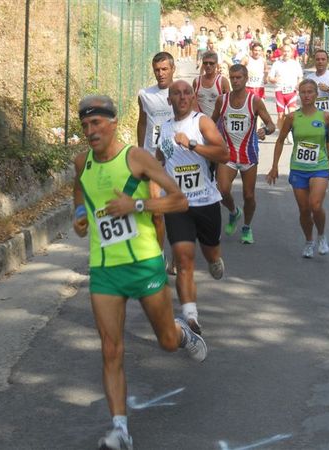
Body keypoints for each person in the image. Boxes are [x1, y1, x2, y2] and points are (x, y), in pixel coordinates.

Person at [73, 95, 207, 450]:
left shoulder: (135, 157)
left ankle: (181, 334)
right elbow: (78, 193)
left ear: (113, 123)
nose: (91, 131)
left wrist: (135, 204)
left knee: (165, 342)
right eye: (86, 126)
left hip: (144, 263)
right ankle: (120, 430)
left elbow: (179, 200)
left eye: (97, 123)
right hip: (104, 270)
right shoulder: (81, 163)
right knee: (110, 349)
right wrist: (79, 219)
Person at [158, 80, 229, 335]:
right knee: (184, 260)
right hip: (178, 205)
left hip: (206, 202)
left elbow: (223, 155)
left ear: (193, 98)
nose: (182, 97)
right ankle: (190, 317)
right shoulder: (164, 129)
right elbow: (160, 160)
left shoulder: (201, 123)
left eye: (187, 92)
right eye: (176, 93)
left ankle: (214, 259)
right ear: (170, 100)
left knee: (210, 256)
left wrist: (192, 145)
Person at [267, 79, 329, 257]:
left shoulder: (325, 116)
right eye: (303, 92)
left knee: (315, 205)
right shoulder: (292, 117)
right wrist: (274, 166)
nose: (307, 95)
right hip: (298, 168)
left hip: (319, 166)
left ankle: (322, 236)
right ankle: (309, 241)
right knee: (304, 210)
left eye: (310, 91)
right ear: (299, 95)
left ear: (316, 95)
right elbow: (280, 141)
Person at [211, 64, 276, 244]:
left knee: (249, 195)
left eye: (239, 77)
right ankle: (234, 212)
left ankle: (247, 227)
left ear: (246, 79)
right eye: (232, 78)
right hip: (228, 154)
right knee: (222, 190)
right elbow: (210, 123)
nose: (235, 81)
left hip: (248, 155)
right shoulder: (222, 101)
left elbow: (271, 124)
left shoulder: (254, 101)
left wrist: (266, 131)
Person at [137, 51, 176, 272]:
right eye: (157, 70)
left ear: (172, 69)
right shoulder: (145, 94)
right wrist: (140, 152)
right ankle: (159, 256)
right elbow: (142, 123)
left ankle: (177, 257)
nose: (160, 74)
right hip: (154, 160)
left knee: (179, 215)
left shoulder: (181, 91)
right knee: (157, 213)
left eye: (164, 69)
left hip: (177, 160)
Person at [267, 44, 304, 132]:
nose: (286, 53)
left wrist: (299, 84)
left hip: (292, 91)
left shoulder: (295, 64)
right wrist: (274, 79)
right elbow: (270, 78)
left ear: (291, 53)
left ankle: (291, 132)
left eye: (288, 51)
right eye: (284, 51)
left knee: (291, 113)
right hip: (279, 91)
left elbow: (300, 77)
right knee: (281, 115)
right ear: (281, 52)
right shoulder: (276, 64)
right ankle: (281, 134)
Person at [193, 51, 231, 118]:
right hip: (201, 122)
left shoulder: (223, 81)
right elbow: (192, 101)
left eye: (211, 63)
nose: (208, 65)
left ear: (216, 64)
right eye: (205, 63)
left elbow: (229, 103)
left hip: (217, 122)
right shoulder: (196, 81)